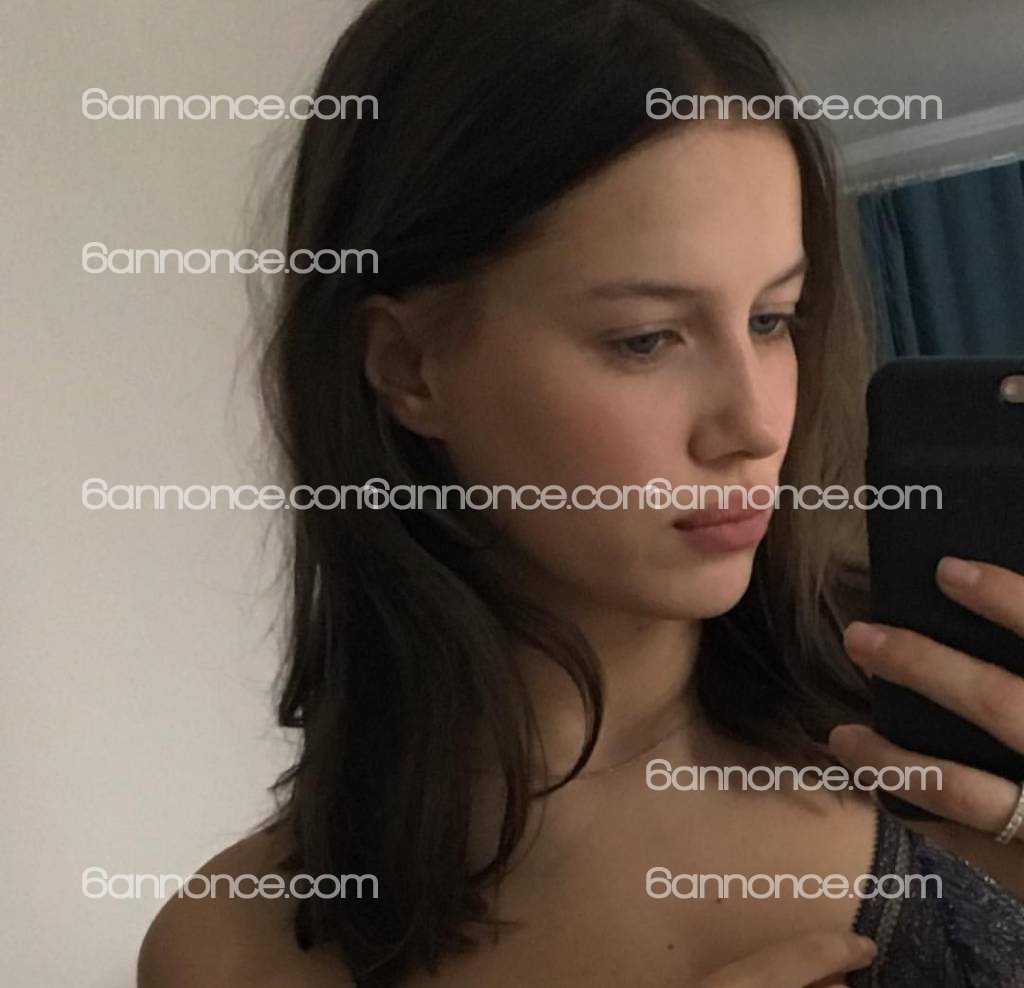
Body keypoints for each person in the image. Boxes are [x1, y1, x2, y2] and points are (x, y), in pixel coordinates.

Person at [137, 1, 1024, 985]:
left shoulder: (962, 740)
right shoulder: (227, 952)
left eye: (772, 319)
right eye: (645, 338)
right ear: (409, 366)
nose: (754, 425)